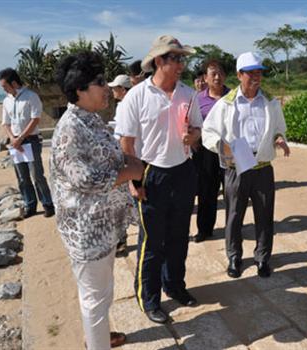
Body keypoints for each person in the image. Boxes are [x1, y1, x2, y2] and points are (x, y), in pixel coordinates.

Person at [50, 51, 144, 350]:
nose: (107, 88)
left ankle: (98, 336)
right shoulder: (70, 129)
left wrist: (128, 163)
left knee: (100, 293)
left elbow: (110, 156)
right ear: (79, 89)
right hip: (86, 233)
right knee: (94, 296)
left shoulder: (90, 120)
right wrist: (131, 170)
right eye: (100, 82)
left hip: (101, 229)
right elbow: (86, 179)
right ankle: (97, 343)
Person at [117, 35, 202, 324]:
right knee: (152, 241)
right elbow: (127, 142)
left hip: (183, 170)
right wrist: (135, 180)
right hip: (151, 173)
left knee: (179, 236)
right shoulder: (136, 96)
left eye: (182, 58)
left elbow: (197, 131)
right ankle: (149, 298)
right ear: (158, 61)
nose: (181, 64)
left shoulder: (188, 95)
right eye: (175, 58)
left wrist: (193, 137)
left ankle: (175, 285)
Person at [202, 52, 290, 279]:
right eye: (251, 72)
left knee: (264, 214)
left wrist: (279, 138)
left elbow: (280, 127)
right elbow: (208, 132)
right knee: (234, 215)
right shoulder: (226, 104)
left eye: (259, 72)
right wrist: (222, 146)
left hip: (262, 167)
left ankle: (263, 258)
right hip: (236, 168)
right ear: (240, 75)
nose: (256, 77)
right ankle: (234, 257)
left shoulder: (270, 102)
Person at [0, 68, 55, 218]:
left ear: (14, 83)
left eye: (5, 86)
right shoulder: (6, 100)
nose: (3, 89)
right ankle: (30, 205)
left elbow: (35, 119)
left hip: (31, 140)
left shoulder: (31, 96)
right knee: (22, 176)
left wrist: (21, 138)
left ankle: (48, 204)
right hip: (16, 142)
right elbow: (6, 123)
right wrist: (13, 138)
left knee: (37, 174)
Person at [191, 60, 230, 243]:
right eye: (213, 73)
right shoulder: (197, 99)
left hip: (230, 149)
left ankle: (232, 228)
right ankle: (204, 229)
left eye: (220, 72)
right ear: (205, 78)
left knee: (231, 191)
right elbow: (190, 123)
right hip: (206, 152)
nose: (217, 76)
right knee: (207, 191)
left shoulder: (233, 97)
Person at [108, 74, 134, 256]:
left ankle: (121, 239)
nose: (112, 91)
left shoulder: (128, 106)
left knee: (121, 202)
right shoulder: (123, 106)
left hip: (127, 157)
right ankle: (120, 238)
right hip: (123, 155)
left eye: (115, 88)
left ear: (123, 90)